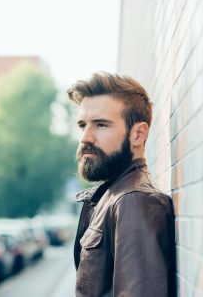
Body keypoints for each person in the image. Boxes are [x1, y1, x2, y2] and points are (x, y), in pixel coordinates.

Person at [67, 72, 176, 297]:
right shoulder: (114, 195)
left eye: (101, 125)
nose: (85, 138)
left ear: (138, 134)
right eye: (82, 125)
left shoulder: (134, 201)